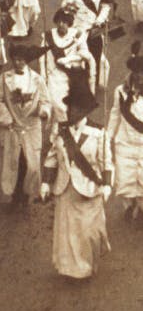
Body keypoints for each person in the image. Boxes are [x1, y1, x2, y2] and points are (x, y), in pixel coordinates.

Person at [41, 84, 112, 280]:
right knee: (68, 231)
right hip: (65, 188)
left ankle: (90, 260)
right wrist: (46, 182)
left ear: (85, 111)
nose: (72, 111)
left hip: (89, 188)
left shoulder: (99, 132)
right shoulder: (60, 130)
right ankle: (73, 269)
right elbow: (52, 157)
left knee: (89, 232)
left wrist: (106, 184)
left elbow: (106, 162)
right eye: (70, 107)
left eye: (77, 108)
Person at [0, 44, 50, 208]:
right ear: (12, 60)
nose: (19, 63)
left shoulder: (37, 79)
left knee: (31, 164)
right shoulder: (4, 78)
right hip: (14, 126)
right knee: (14, 162)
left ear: (27, 61)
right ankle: (15, 196)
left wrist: (43, 111)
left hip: (31, 126)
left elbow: (46, 101)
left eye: (22, 59)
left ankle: (27, 193)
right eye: (16, 59)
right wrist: (6, 117)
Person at [61, 0, 115, 90]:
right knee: (77, 56)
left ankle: (93, 83)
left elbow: (106, 6)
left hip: (93, 28)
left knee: (95, 55)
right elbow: (64, 4)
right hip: (76, 27)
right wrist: (69, 7)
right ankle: (77, 85)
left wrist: (100, 20)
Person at [107, 45, 143, 223]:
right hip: (125, 144)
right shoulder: (121, 92)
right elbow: (115, 114)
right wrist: (108, 138)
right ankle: (129, 207)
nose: (141, 76)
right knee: (125, 181)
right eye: (138, 72)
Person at [41, 7, 95, 123]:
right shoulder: (48, 36)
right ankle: (62, 129)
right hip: (55, 75)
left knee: (75, 107)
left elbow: (85, 54)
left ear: (69, 23)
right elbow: (42, 58)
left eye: (64, 22)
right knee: (59, 106)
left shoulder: (77, 35)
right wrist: (43, 76)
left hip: (75, 74)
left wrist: (69, 59)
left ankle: (59, 132)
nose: (61, 24)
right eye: (59, 21)